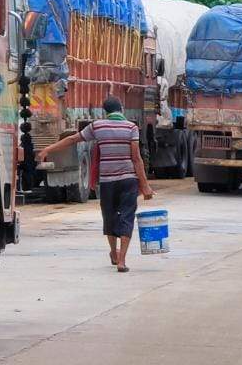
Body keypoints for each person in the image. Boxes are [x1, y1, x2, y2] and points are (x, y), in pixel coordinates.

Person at [37, 96, 154, 272]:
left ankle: (113, 253)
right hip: (128, 180)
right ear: (121, 109)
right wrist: (145, 186)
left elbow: (71, 140)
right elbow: (137, 159)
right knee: (126, 217)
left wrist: (48, 149)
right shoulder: (131, 127)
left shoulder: (98, 126)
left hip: (107, 181)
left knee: (109, 216)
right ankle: (121, 260)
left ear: (105, 111)